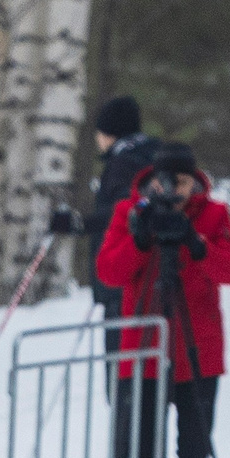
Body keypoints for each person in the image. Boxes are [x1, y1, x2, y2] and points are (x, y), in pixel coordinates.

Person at [92, 142, 230, 458]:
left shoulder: (214, 216)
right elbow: (109, 272)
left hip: (197, 354)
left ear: (193, 179)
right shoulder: (130, 212)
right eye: (165, 180)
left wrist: (196, 245)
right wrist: (141, 240)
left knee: (193, 452)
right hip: (142, 350)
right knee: (137, 452)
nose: (172, 189)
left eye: (180, 180)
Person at [48, 94, 160, 316]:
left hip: (124, 279)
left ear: (110, 133)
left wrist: (77, 223)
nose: (98, 139)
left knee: (122, 349)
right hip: (153, 278)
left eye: (100, 132)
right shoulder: (153, 157)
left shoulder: (124, 163)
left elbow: (123, 211)